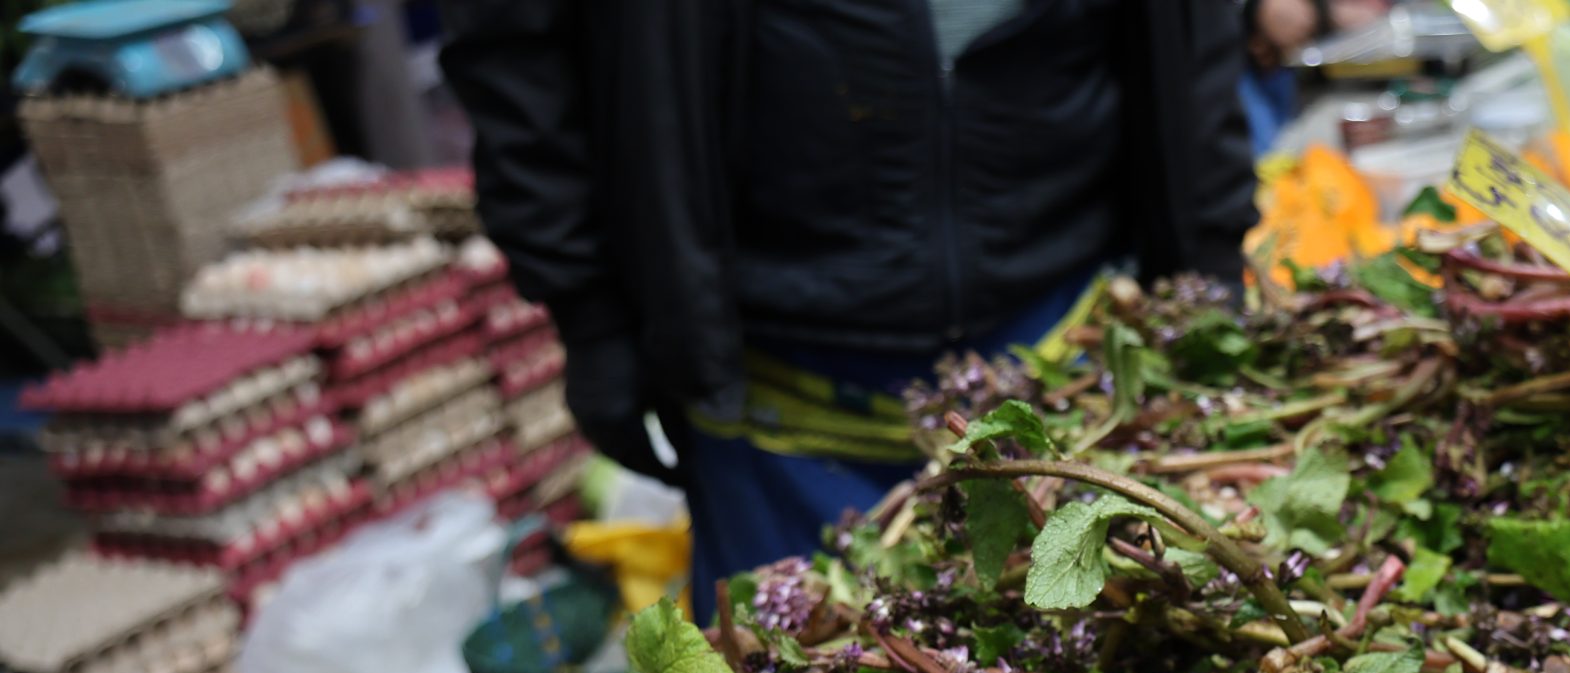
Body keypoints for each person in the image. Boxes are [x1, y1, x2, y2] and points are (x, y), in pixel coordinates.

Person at [441, 1, 1258, 618]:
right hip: (769, 385)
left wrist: (1210, 245)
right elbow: (511, 42)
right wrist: (587, 305)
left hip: (1068, 329)